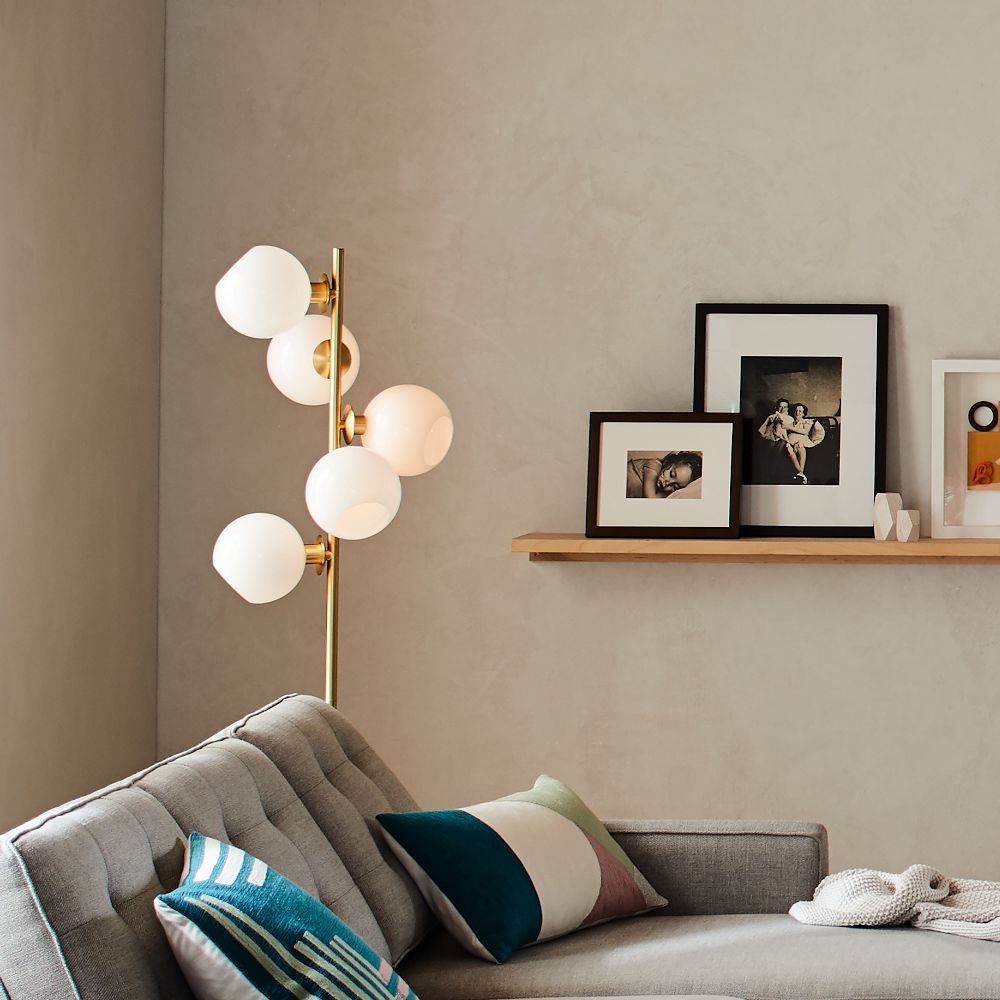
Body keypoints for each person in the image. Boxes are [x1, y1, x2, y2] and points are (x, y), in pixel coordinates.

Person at [626, 451, 703, 498]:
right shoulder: (654, 464)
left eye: (675, 486)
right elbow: (650, 498)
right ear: (670, 462)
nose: (667, 483)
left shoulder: (664, 490)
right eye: (671, 474)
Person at [784, 403, 825, 484]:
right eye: (796, 410)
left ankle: (800, 472)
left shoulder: (806, 421)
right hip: (790, 441)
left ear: (803, 414)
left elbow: (805, 431)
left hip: (802, 440)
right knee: (788, 448)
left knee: (800, 445)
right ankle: (801, 473)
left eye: (800, 411)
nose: (797, 412)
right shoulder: (790, 422)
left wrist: (790, 428)